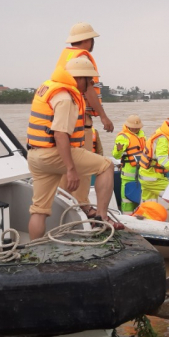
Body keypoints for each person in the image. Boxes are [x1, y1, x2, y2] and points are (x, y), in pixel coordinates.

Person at [26, 56, 123, 240]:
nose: (91, 84)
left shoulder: (49, 87)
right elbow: (60, 134)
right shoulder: (65, 98)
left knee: (39, 210)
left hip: (35, 156)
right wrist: (70, 169)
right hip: (53, 154)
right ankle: (102, 219)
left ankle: (34, 251)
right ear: (80, 78)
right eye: (90, 80)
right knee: (106, 166)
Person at [55, 22, 115, 214]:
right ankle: (82, 206)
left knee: (68, 165)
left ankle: (65, 205)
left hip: (65, 116)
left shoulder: (66, 56)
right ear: (87, 40)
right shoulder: (83, 57)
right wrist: (104, 117)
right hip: (81, 120)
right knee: (83, 165)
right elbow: (88, 89)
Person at [112, 115, 146, 213]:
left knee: (140, 200)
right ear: (128, 126)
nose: (135, 129)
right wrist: (118, 150)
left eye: (137, 127)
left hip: (142, 174)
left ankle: (139, 216)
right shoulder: (122, 137)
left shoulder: (142, 135)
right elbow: (116, 155)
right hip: (128, 175)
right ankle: (126, 218)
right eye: (133, 127)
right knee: (127, 201)